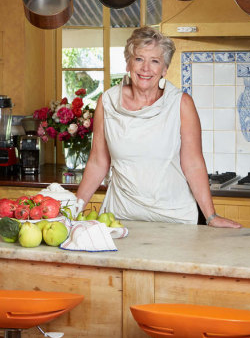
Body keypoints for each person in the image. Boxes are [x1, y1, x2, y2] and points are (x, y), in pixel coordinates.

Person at [75, 26, 241, 228]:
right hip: (120, 220)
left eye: (155, 61)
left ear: (164, 69)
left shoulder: (181, 104)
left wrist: (211, 216)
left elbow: (193, 163)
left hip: (175, 220)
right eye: (139, 59)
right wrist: (74, 210)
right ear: (128, 63)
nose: (146, 68)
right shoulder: (107, 101)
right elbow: (98, 161)